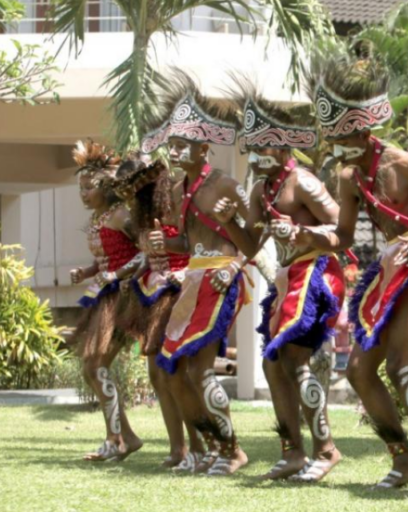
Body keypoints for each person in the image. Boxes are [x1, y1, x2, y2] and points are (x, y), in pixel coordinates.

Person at [298, 42, 408, 492]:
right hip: (388, 270)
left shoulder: (406, 164)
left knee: (402, 367)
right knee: (359, 371)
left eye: (341, 138)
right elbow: (344, 235)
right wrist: (313, 237)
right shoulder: (348, 179)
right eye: (331, 138)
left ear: (364, 132)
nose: (334, 146)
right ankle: (404, 460)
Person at [213, 80, 345, 482]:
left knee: (294, 361)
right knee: (273, 365)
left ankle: (326, 450)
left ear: (284, 146)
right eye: (250, 146)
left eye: (263, 145)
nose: (255, 154)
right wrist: (228, 222)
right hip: (287, 280)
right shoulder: (259, 190)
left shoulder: (303, 182)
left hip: (317, 274)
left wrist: (305, 235)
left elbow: (343, 228)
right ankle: (292, 453)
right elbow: (252, 246)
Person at [141, 72, 252, 476]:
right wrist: (159, 244)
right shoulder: (176, 191)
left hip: (222, 276)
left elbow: (254, 242)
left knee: (200, 369)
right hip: (193, 279)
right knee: (173, 371)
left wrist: (235, 266)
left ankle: (232, 450)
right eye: (172, 144)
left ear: (204, 147)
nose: (175, 151)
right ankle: (211, 446)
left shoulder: (226, 184)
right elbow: (188, 245)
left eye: (182, 144)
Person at [112, 154, 206, 471]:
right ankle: (177, 448)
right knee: (157, 375)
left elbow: (200, 244)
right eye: (125, 192)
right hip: (151, 292)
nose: (130, 197)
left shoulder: (178, 201)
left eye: (134, 189)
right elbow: (146, 255)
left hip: (179, 290)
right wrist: (132, 274)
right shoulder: (139, 214)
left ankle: (199, 446)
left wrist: (184, 271)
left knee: (175, 372)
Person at [68, 140, 146, 462]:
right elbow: (107, 258)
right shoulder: (100, 219)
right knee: (92, 367)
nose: (84, 193)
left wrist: (117, 276)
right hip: (104, 296)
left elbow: (145, 251)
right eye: (81, 188)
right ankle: (123, 436)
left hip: (125, 298)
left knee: (95, 365)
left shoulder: (120, 216)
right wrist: (87, 272)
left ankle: (117, 440)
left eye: (90, 187)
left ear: (107, 187)